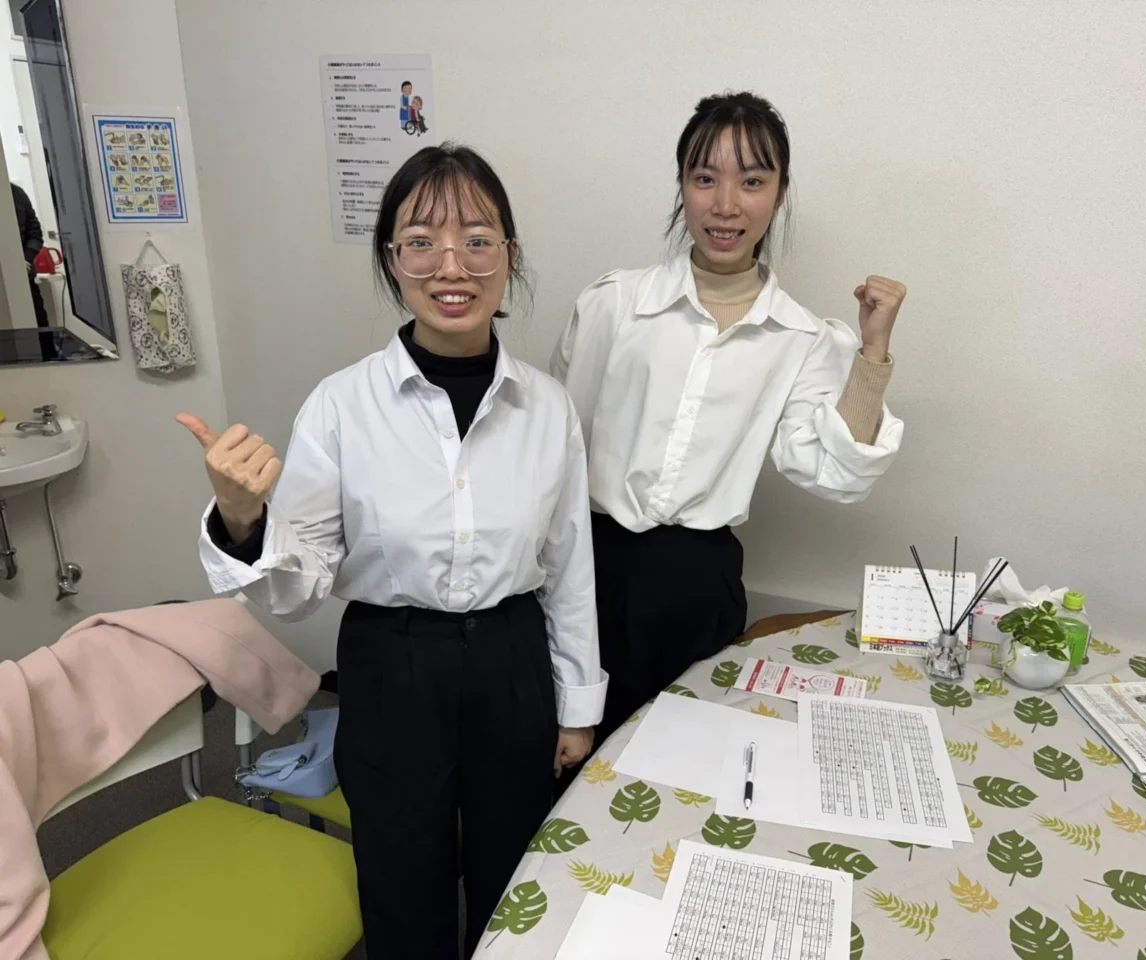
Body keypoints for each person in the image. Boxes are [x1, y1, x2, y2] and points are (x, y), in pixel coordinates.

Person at [177, 144, 605, 958]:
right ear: (391, 260)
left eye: (477, 240)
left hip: (513, 663)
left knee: (517, 878)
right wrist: (242, 518)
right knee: (401, 880)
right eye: (421, 241)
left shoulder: (547, 408)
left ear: (510, 256)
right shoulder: (341, 406)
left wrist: (578, 708)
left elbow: (569, 568)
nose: (452, 265)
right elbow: (298, 587)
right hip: (391, 666)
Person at [553, 91, 906, 743]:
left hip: (698, 584)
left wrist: (873, 353)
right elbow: (557, 443)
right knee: (567, 758)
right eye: (705, 178)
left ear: (779, 193)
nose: (725, 205)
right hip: (588, 571)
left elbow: (833, 473)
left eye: (752, 181)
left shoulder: (800, 337)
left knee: (682, 766)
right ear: (682, 185)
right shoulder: (615, 303)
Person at [10, 183, 47, 328]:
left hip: (25, 276)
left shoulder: (16, 192)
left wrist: (25, 260)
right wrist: (10, 263)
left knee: (40, 325)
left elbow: (35, 233)